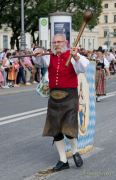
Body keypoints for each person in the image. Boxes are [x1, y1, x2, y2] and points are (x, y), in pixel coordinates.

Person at [33, 34, 89, 171]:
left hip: (69, 96)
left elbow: (84, 67)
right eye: (54, 42)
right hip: (53, 96)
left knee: (68, 128)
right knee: (55, 130)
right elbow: (38, 62)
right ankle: (63, 160)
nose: (57, 44)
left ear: (66, 42)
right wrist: (37, 54)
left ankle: (75, 151)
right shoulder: (49, 56)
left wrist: (76, 56)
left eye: (59, 42)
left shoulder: (73, 56)